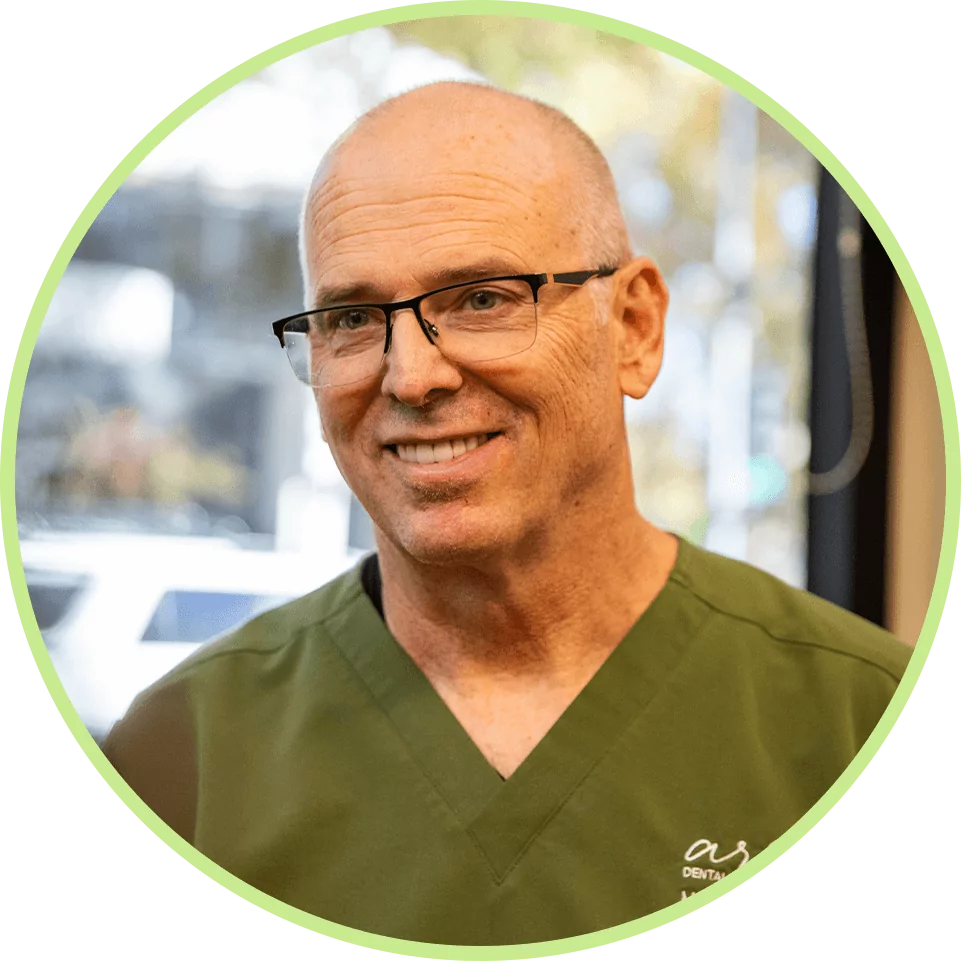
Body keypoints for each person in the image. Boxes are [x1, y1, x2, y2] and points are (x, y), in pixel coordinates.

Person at [103, 81, 911, 946]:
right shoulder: (180, 757)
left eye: (482, 298)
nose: (410, 376)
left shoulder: (852, 717)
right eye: (349, 317)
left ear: (633, 327)